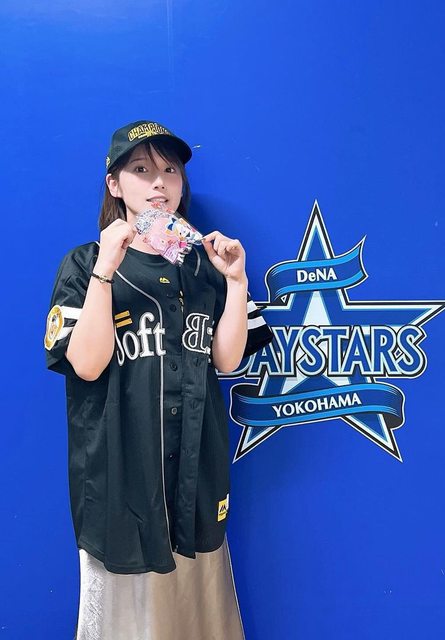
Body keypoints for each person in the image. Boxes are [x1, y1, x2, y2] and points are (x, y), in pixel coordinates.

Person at [44, 120, 273, 639]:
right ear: (114, 184)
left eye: (170, 170)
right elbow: (87, 365)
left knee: (197, 609)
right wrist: (105, 269)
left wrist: (237, 281)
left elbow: (227, 360)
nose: (158, 184)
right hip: (121, 472)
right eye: (141, 169)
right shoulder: (83, 264)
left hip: (193, 469)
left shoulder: (205, 264)